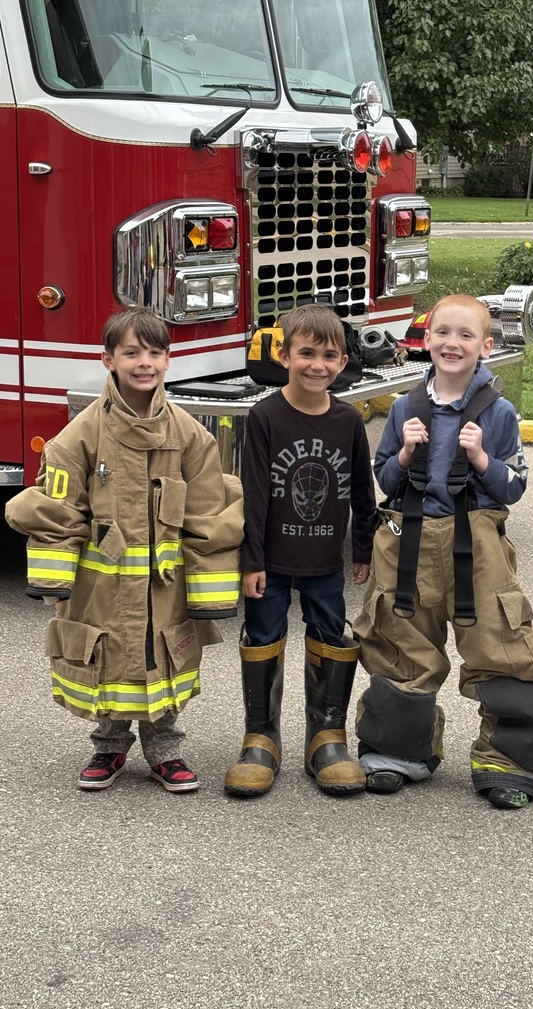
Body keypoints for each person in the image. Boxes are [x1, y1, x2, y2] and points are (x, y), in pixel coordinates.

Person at [5, 308, 243, 792]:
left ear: (168, 361)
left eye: (155, 352)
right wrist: (54, 581)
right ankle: (109, 746)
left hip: (166, 586)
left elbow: (208, 517)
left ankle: (165, 749)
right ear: (107, 359)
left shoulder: (190, 435)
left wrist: (209, 592)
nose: (144, 362)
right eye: (131, 352)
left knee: (163, 659)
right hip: (102, 586)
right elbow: (57, 509)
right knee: (109, 662)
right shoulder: (80, 435)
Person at [352, 293, 533, 808]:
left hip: (476, 540)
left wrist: (479, 458)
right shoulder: (405, 406)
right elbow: (384, 478)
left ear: (486, 346)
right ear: (424, 341)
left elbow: (513, 487)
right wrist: (405, 451)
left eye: (466, 335)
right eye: (442, 333)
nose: (453, 343)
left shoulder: (498, 412)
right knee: (398, 639)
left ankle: (513, 761)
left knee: (502, 642)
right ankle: (397, 752)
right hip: (409, 542)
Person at [225, 304, 377, 799]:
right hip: (270, 561)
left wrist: (363, 549)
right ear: (284, 355)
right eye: (306, 353)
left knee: (331, 635)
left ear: (343, 361)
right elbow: (251, 495)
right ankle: (261, 739)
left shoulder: (349, 421)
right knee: (264, 635)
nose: (317, 365)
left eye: (329, 355)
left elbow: (361, 489)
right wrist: (251, 561)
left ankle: (326, 739)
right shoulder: (265, 416)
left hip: (324, 563)